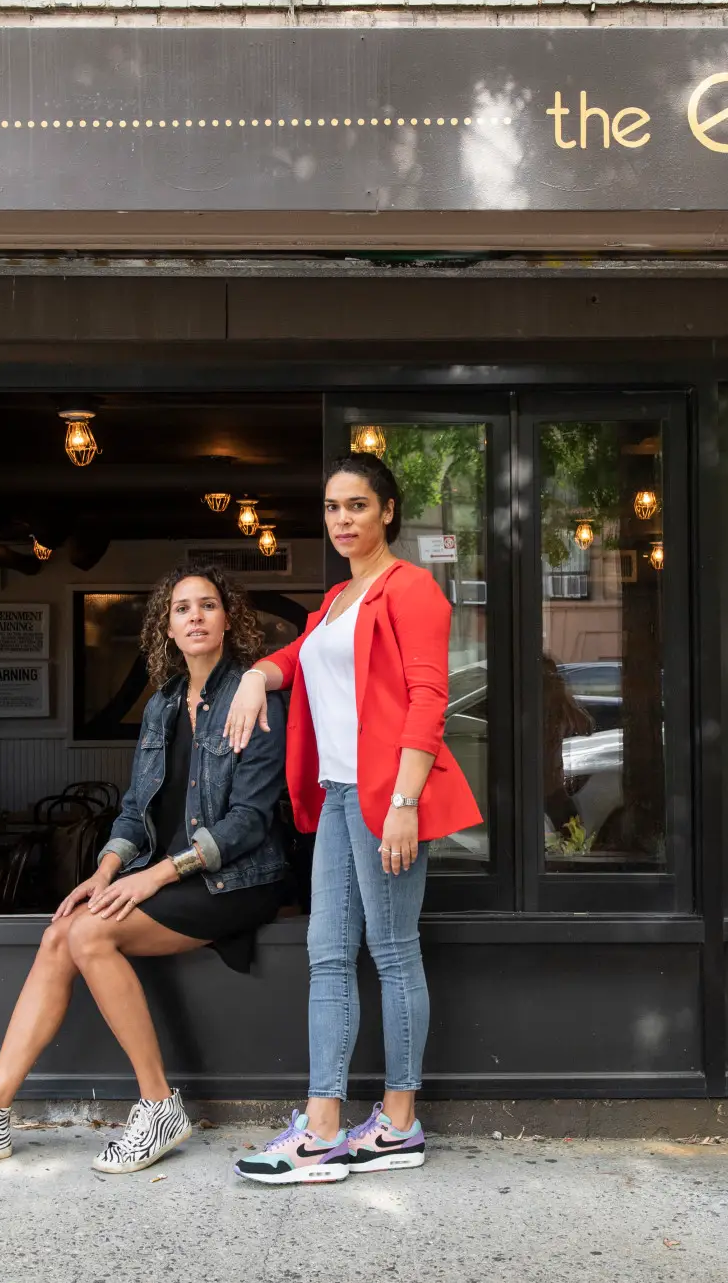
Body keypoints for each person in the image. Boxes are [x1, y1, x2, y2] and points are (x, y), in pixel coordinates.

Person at [0, 564, 290, 1177]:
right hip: (166, 874)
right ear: (165, 626)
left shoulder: (256, 695)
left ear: (228, 618)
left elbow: (249, 822)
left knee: (87, 933)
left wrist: (155, 875)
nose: (195, 615)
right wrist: (106, 870)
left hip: (235, 881)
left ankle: (160, 1104)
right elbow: (136, 807)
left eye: (208, 605)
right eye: (182, 607)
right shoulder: (162, 705)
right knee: (60, 931)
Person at [222, 452, 482, 1185]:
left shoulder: (412, 589)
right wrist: (252, 674)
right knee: (328, 954)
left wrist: (403, 804)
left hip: (384, 798)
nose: (343, 519)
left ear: (388, 512)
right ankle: (325, 1125)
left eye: (358, 505)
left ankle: (398, 1122)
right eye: (334, 506)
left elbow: (430, 701)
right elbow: (296, 656)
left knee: (394, 951)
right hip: (339, 796)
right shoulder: (338, 598)